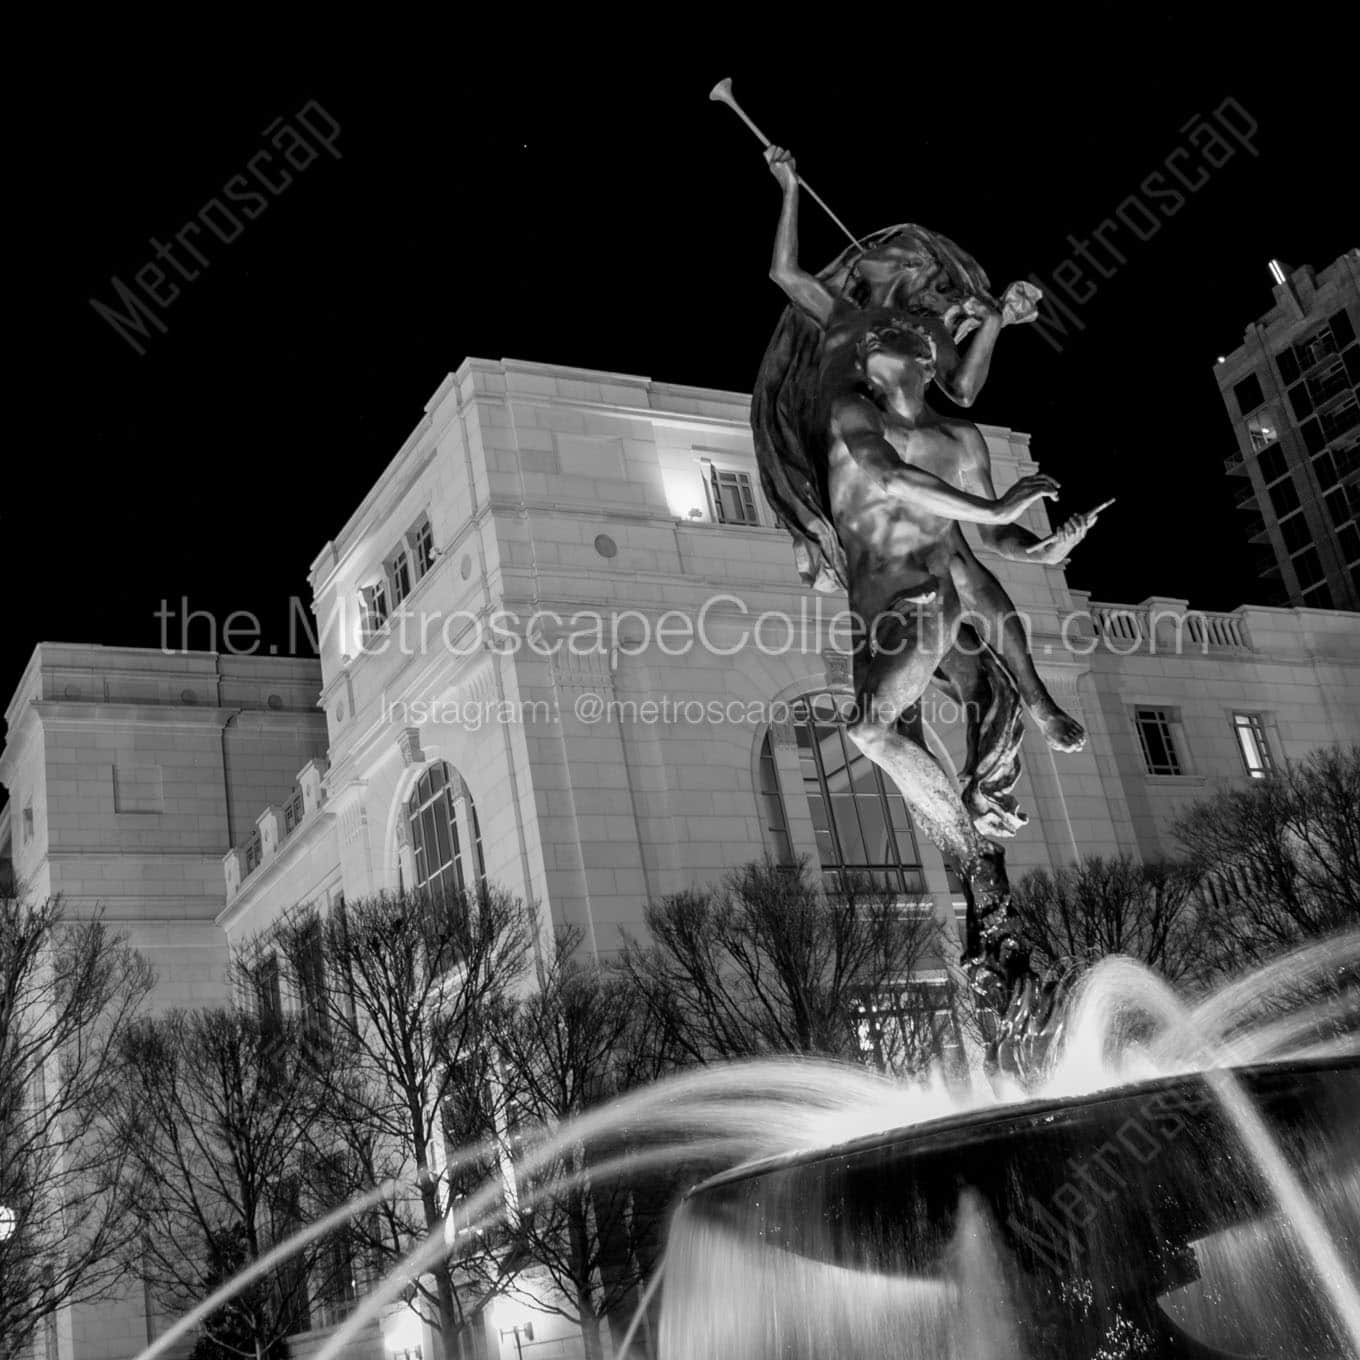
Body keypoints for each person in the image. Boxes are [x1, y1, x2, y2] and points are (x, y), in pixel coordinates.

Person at [762, 146, 1106, 752]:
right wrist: (789, 187)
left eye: (899, 249)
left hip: (909, 439)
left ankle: (1034, 696)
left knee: (958, 557)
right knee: (931, 550)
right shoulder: (841, 314)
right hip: (854, 441)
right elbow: (785, 275)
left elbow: (963, 390)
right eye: (885, 246)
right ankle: (1006, 695)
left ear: (914, 267)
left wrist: (994, 322)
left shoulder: (927, 331)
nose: (877, 248)